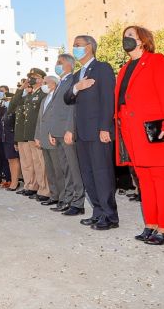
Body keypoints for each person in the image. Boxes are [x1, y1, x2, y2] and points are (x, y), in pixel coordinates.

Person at [115, 26, 164, 245]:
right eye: (125, 36)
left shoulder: (156, 60)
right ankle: (151, 223)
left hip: (151, 127)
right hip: (130, 129)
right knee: (143, 179)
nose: (126, 39)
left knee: (158, 176)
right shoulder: (125, 67)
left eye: (131, 36)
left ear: (143, 41)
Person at [64, 35, 118, 231]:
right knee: (88, 174)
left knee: (102, 174)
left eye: (78, 45)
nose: (75, 48)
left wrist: (105, 127)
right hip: (82, 133)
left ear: (89, 47)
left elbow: (108, 99)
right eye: (74, 45)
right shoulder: (77, 74)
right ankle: (97, 212)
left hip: (98, 131)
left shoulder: (102, 68)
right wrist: (77, 87)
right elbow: (67, 98)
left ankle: (110, 216)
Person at [47, 54, 86, 215]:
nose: (56, 64)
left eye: (60, 62)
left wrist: (70, 129)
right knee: (65, 168)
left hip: (66, 132)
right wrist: (51, 131)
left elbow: (72, 107)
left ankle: (78, 203)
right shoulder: (61, 83)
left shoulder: (71, 80)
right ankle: (68, 199)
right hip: (57, 132)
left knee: (73, 168)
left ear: (69, 65)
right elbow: (54, 111)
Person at [10, 69, 50, 201]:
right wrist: (22, 88)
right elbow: (14, 104)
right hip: (27, 134)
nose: (31, 79)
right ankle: (31, 186)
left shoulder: (44, 93)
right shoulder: (30, 95)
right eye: (30, 77)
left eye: (34, 77)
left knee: (40, 163)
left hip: (36, 133)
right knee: (29, 163)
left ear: (41, 79)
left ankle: (44, 189)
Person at [35, 75, 62, 207]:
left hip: (54, 138)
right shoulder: (44, 99)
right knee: (50, 170)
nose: (43, 85)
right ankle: (54, 195)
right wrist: (37, 136)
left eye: (46, 82)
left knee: (58, 170)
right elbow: (40, 120)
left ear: (53, 83)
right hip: (44, 138)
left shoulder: (58, 98)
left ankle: (63, 197)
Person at [0, 91, 21, 190]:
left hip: (12, 138)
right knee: (10, 161)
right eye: (4, 100)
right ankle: (13, 181)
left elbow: (17, 127)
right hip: (6, 138)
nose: (5, 102)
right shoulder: (6, 111)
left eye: (7, 100)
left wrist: (16, 141)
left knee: (14, 160)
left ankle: (15, 183)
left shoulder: (15, 111)